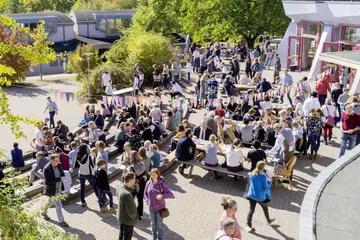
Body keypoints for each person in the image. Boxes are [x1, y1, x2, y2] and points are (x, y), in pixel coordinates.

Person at [144, 168, 175, 240]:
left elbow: (171, 194)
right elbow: (145, 194)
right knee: (153, 224)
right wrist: (147, 200)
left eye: (155, 175)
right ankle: (154, 238)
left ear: (158, 175)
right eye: (152, 175)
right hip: (151, 208)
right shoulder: (148, 183)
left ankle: (160, 238)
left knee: (159, 225)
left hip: (160, 209)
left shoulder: (161, 185)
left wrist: (162, 195)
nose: (153, 176)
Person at [245, 161, 274, 232]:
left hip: (251, 195)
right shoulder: (263, 177)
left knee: (251, 210)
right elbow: (266, 188)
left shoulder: (252, 174)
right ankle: (268, 220)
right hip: (260, 197)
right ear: (263, 167)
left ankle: (249, 225)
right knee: (265, 208)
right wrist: (270, 181)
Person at [41, 154, 69, 227]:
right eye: (56, 161)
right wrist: (60, 179)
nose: (58, 162)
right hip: (52, 189)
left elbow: (62, 173)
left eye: (58, 160)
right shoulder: (46, 169)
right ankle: (61, 221)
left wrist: (63, 177)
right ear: (52, 160)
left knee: (50, 200)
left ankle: (44, 212)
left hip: (59, 187)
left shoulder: (59, 165)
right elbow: (48, 181)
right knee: (58, 205)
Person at [117, 172, 138, 240]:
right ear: (131, 180)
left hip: (121, 217)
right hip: (127, 220)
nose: (135, 180)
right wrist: (136, 218)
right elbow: (131, 212)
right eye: (134, 179)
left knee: (121, 234)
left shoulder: (120, 186)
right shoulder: (127, 195)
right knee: (127, 237)